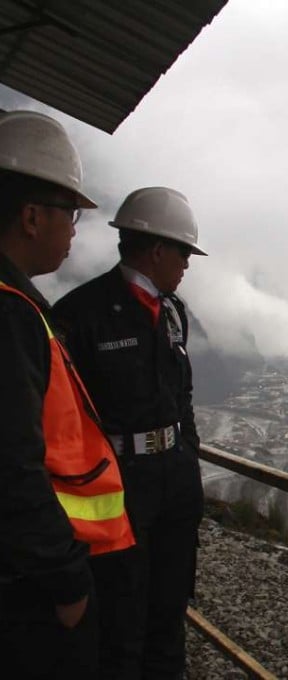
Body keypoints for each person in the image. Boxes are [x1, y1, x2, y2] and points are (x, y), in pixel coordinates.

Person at [0, 110, 135, 679]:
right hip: (28, 587)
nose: (75, 230)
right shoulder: (11, 314)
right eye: (71, 214)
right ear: (32, 216)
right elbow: (12, 464)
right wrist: (67, 579)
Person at [53, 187, 207, 679]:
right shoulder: (81, 313)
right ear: (157, 248)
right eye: (183, 251)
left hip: (171, 482)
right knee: (122, 613)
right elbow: (66, 417)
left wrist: (187, 460)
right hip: (118, 486)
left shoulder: (173, 311)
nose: (187, 263)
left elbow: (180, 397)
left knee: (168, 607)